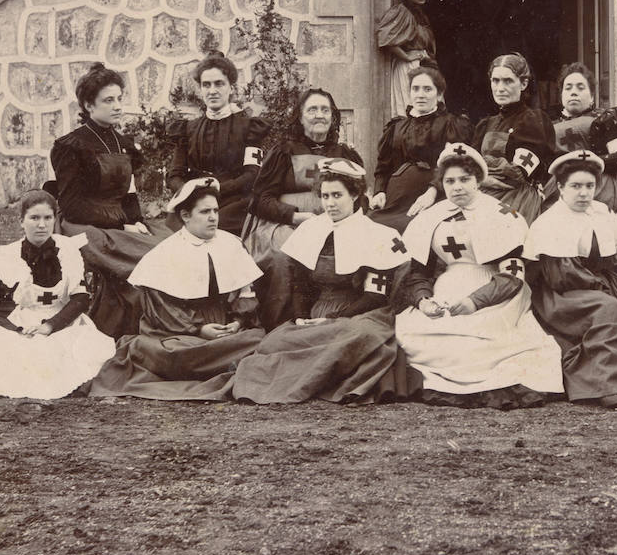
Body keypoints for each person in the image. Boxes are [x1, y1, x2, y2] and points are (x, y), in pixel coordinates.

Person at [232, 161, 420, 403]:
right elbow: (300, 286)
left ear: (355, 195)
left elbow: (375, 297)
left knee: (359, 338)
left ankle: (314, 380)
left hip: (362, 315)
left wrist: (333, 319)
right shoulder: (311, 229)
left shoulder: (378, 235)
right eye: (325, 196)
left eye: (337, 195)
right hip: (317, 314)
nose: (330, 203)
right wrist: (301, 317)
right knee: (276, 342)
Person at [393, 143, 564, 407]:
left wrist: (475, 301)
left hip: (495, 291)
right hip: (447, 288)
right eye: (450, 181)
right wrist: (423, 301)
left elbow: (513, 276)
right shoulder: (431, 217)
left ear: (478, 180)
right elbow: (418, 274)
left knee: (483, 342)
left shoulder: (502, 214)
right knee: (415, 336)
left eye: (465, 179)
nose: (457, 187)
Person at [90, 179, 266, 401]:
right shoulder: (166, 252)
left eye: (215, 211)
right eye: (205, 212)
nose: (213, 217)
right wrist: (198, 329)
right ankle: (225, 361)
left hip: (225, 328)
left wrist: (238, 322)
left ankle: (218, 360)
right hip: (179, 332)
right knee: (172, 351)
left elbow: (245, 293)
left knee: (258, 339)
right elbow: (162, 311)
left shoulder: (231, 243)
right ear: (185, 215)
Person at [523, 151, 617, 407]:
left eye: (589, 186)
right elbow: (563, 277)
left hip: (600, 285)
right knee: (614, 311)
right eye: (575, 186)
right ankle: (608, 385)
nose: (584, 193)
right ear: (560, 187)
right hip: (563, 296)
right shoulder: (550, 222)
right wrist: (616, 296)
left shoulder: (602, 212)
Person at [50, 63, 173, 338]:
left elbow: (128, 193)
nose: (118, 106)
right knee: (150, 255)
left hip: (119, 221)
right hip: (83, 226)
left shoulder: (123, 143)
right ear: (88, 105)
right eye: (108, 100)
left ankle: (155, 324)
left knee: (170, 244)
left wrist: (137, 221)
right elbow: (72, 206)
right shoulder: (71, 146)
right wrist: (122, 225)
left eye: (119, 98)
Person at [0, 190, 114, 400]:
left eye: (47, 218)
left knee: (83, 347)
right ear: (21, 221)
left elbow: (81, 299)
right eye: (34, 218)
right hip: (25, 324)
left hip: (63, 322)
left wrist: (50, 326)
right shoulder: (7, 256)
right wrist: (17, 330)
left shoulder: (68, 250)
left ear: (54, 220)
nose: (41, 225)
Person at [242, 87, 363, 260]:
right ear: (300, 117)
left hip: (336, 224)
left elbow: (359, 197)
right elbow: (260, 201)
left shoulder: (345, 154)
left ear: (332, 117)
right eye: (312, 110)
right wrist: (295, 216)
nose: (319, 115)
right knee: (287, 253)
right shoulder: (283, 152)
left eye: (325, 110)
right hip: (286, 224)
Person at [168, 52, 268, 237]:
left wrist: (218, 189)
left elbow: (252, 174)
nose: (212, 91)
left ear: (231, 88)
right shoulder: (188, 129)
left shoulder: (248, 127)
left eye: (219, 83)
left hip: (235, 202)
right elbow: (174, 174)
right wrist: (190, 191)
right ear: (200, 89)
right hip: (195, 200)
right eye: (206, 85)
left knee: (215, 231)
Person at [370, 64, 473, 230]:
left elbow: (456, 166)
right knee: (373, 225)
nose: (420, 95)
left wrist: (433, 191)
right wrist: (379, 191)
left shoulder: (451, 125)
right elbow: (383, 167)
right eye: (415, 89)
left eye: (427, 89)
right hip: (395, 198)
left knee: (417, 228)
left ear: (439, 94)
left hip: (434, 196)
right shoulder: (396, 127)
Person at [471, 53, 556, 222]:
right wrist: (479, 176)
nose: (500, 88)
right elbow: (469, 163)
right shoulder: (486, 124)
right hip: (482, 193)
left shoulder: (533, 120)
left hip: (516, 197)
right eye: (495, 81)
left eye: (508, 81)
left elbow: (518, 173)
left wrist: (480, 172)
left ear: (523, 84)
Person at [547, 62, 617, 211]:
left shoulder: (605, 119)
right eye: (568, 88)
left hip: (599, 184)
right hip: (559, 186)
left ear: (592, 96)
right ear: (561, 95)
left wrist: (586, 163)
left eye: (580, 87)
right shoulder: (550, 126)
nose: (573, 92)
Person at [375, 0, 438, 119]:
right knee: (410, 111)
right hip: (408, 68)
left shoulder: (420, 14)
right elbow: (385, 37)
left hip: (422, 65)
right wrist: (406, 56)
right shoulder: (402, 12)